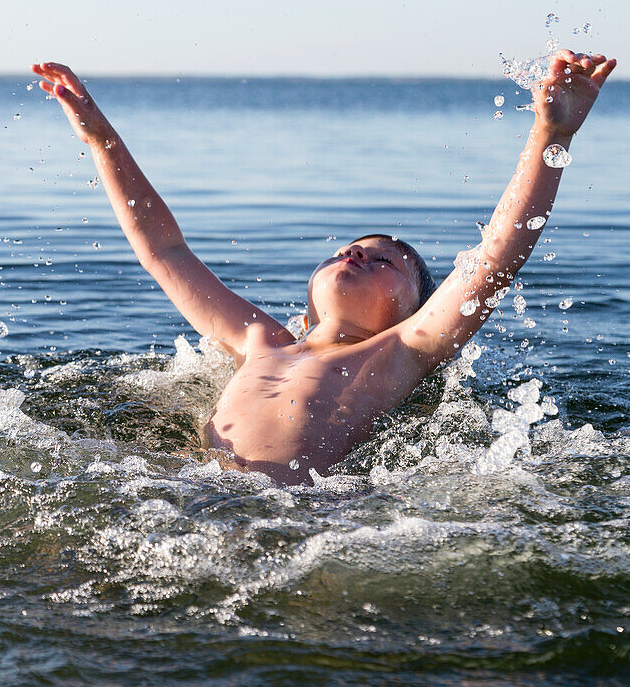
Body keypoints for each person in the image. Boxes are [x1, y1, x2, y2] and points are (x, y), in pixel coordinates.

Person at [32, 51, 616, 485]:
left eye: (386, 259)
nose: (355, 253)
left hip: (296, 516)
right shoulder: (260, 340)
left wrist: (551, 133)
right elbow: (166, 251)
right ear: (308, 296)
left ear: (413, 310)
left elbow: (493, 257)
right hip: (184, 492)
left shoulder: (398, 352)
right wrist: (101, 141)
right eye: (346, 250)